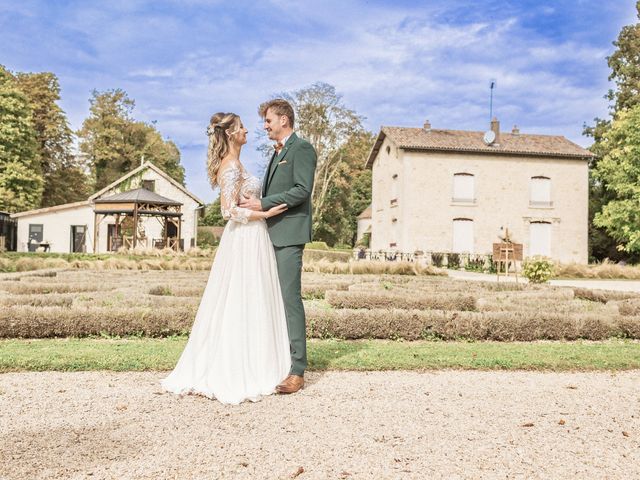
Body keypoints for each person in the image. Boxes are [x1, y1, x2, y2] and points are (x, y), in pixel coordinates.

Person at [160, 112, 290, 405]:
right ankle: (238, 365)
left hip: (254, 237)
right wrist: (265, 213)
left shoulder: (238, 163)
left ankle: (259, 360)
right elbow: (227, 211)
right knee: (241, 297)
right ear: (231, 134)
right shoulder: (230, 166)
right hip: (243, 238)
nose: (247, 130)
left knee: (255, 296)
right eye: (242, 127)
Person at [239, 99, 317, 394]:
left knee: (289, 299)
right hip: (266, 234)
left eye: (269, 120)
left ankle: (297, 370)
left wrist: (262, 203)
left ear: (284, 119)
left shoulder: (303, 149)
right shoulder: (276, 153)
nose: (265, 125)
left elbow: (301, 190)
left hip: (289, 235)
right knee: (267, 298)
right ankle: (275, 360)